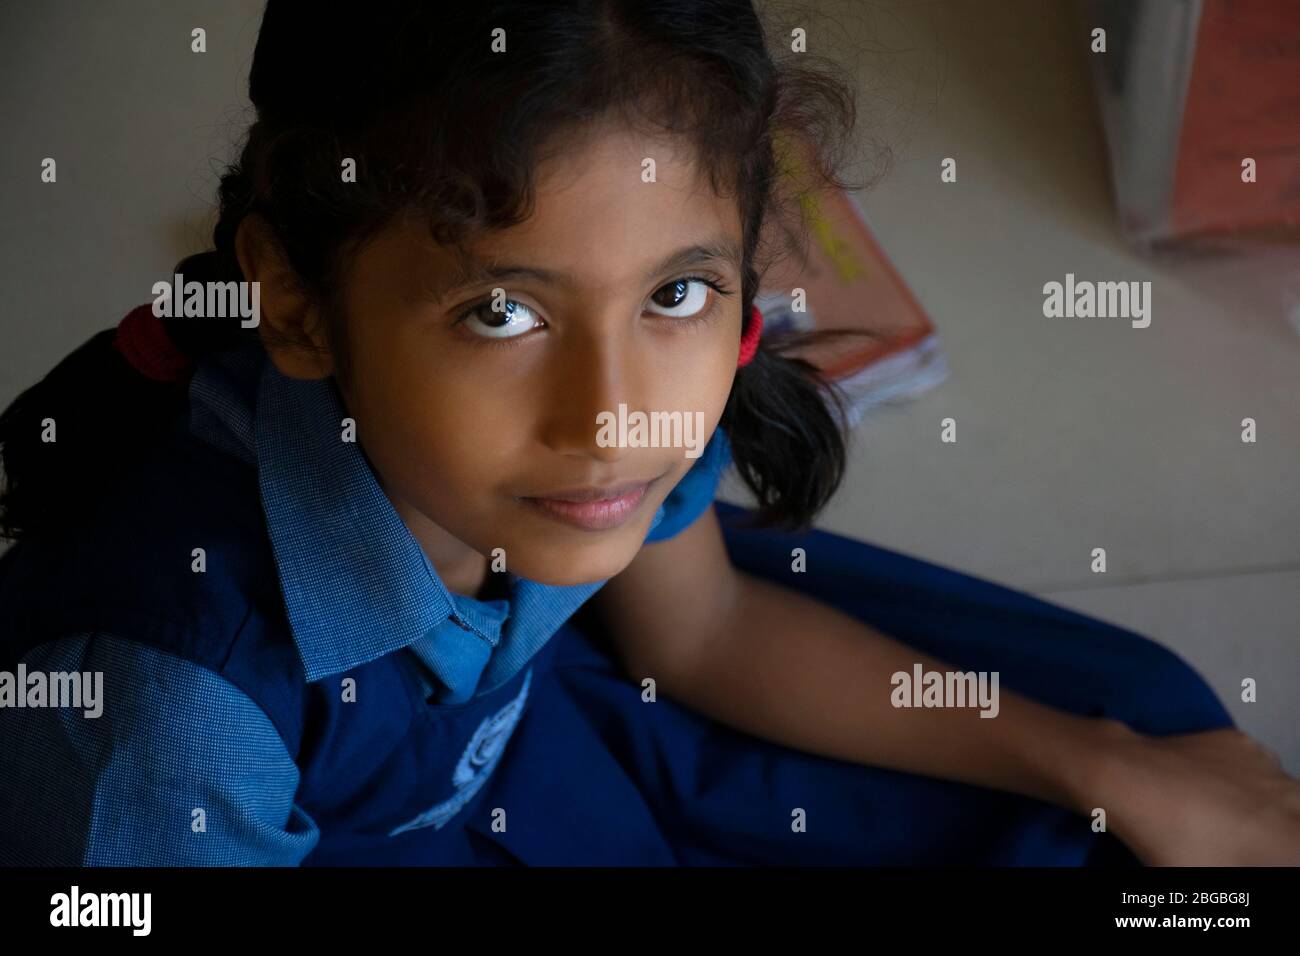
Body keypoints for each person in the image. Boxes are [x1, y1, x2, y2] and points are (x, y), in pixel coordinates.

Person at [1, 0, 1296, 866]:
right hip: (346, 815)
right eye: (501, 310)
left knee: (1141, 740)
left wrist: (1112, 767)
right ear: (296, 302)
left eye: (677, 292)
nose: (611, 415)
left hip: (524, 740)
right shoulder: (172, 723)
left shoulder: (573, 463)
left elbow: (705, 630)